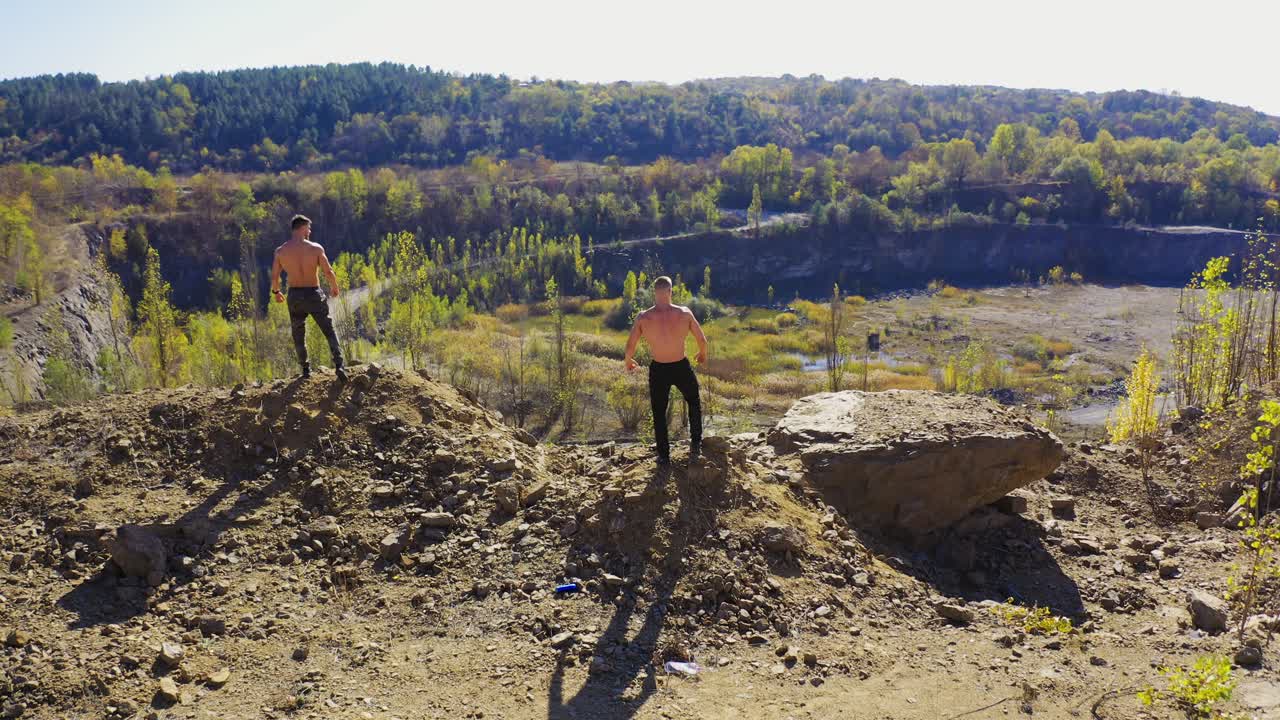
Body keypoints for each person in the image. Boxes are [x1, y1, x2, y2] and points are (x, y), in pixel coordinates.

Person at [623, 276, 708, 464]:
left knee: (659, 411)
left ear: (655, 292)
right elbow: (702, 340)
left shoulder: (644, 317)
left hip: (658, 368)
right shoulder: (684, 313)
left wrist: (628, 361)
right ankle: (696, 443)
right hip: (680, 365)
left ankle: (663, 456)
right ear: (670, 291)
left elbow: (630, 344)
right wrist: (702, 354)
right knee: (693, 400)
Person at [270, 214, 346, 381]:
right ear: (303, 228)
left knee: (298, 332)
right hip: (313, 293)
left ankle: (305, 370)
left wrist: (276, 293)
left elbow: (275, 277)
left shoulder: (281, 251)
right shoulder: (316, 248)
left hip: (295, 295)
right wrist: (334, 287)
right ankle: (339, 364)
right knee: (329, 329)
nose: (310, 231)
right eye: (309, 228)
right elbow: (328, 271)